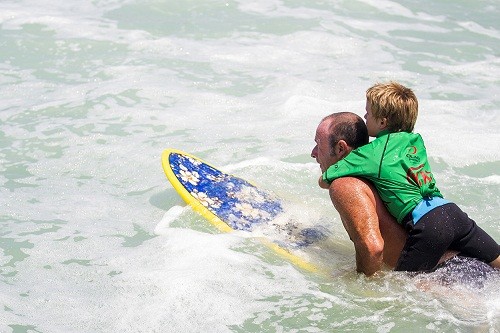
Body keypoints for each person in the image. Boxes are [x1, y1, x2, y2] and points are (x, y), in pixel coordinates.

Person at [319, 82, 500, 272]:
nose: (365, 117)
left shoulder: (372, 152)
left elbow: (326, 178)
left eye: (368, 113)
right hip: (452, 213)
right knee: (496, 258)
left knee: (406, 287)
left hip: (429, 225)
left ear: (382, 122)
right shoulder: (415, 140)